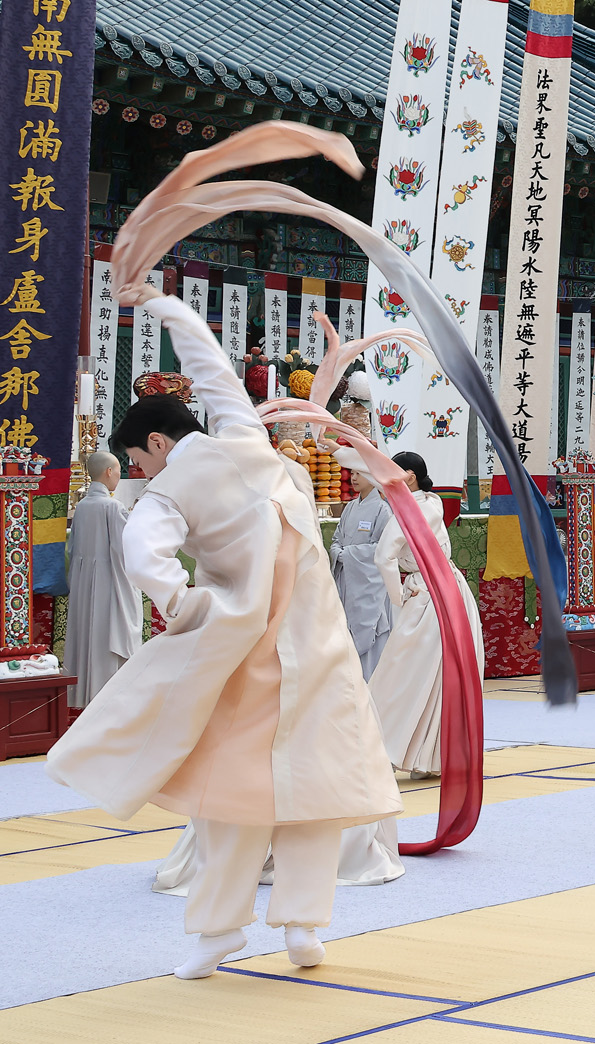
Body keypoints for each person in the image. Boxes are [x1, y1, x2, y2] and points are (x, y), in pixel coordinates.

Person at [46, 292, 401, 980]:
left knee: (233, 796)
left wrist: (180, 601)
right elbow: (212, 371)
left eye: (140, 460)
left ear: (155, 442)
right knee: (315, 790)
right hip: (317, 640)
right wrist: (172, 311)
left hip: (250, 651)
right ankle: (302, 925)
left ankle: (219, 930)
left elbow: (144, 553)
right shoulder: (241, 436)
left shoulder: (174, 486)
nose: (141, 474)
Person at [362, 451, 482, 777]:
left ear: (410, 476)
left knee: (403, 673)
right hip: (450, 588)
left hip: (428, 594)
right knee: (441, 675)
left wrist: (398, 596)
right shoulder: (431, 502)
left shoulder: (411, 511)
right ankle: (429, 757)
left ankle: (388, 748)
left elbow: (383, 558)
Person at [64, 452, 141, 708]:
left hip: (85, 582)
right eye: (119, 470)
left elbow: (73, 549)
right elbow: (125, 549)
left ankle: (84, 697)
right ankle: (109, 702)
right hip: (109, 583)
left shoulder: (83, 506)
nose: (119, 475)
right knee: (106, 638)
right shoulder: (112, 507)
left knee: (89, 636)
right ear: (109, 472)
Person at [328, 462, 393, 678]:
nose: (354, 478)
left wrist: (347, 554)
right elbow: (337, 538)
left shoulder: (383, 509)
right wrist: (338, 551)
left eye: (359, 473)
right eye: (353, 473)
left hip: (369, 584)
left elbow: (382, 548)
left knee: (373, 632)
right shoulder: (350, 507)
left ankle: (373, 684)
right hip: (349, 580)